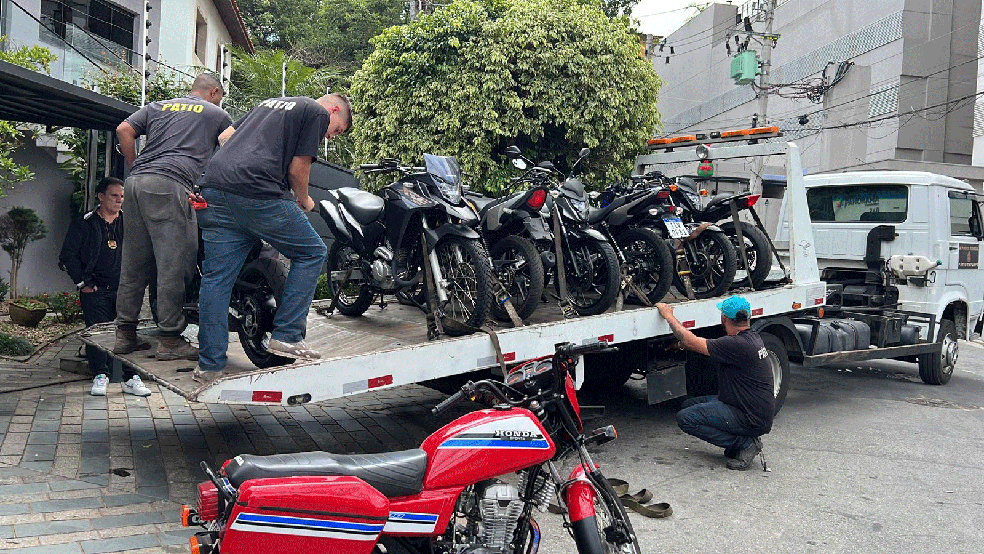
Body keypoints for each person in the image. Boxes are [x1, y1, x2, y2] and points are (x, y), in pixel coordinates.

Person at [192, 93, 352, 383]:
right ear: (334, 108)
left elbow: (226, 138)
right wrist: (304, 200)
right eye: (337, 129)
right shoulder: (316, 111)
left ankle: (209, 365)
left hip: (215, 188)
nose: (330, 136)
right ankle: (288, 335)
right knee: (313, 252)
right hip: (257, 192)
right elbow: (297, 168)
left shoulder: (270, 104)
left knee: (216, 281)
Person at [113, 73, 232, 361]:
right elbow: (230, 146)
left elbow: (123, 129)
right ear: (214, 92)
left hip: (136, 183)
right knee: (173, 264)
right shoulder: (216, 113)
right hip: (170, 184)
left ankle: (124, 335)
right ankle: (169, 339)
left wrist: (134, 164)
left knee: (133, 262)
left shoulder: (158, 106)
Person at [655, 296, 774, 470]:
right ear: (747, 318)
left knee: (685, 418)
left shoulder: (736, 344)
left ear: (724, 318)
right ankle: (741, 440)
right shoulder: (751, 338)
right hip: (748, 408)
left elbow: (692, 341)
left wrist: (668, 316)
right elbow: (702, 347)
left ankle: (744, 443)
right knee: (688, 404)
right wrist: (679, 345)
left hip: (749, 416)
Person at [59, 177, 152, 397]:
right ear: (101, 196)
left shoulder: (130, 221)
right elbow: (68, 255)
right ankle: (100, 375)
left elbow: (143, 252)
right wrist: (83, 283)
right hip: (96, 289)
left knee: (129, 332)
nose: (119, 200)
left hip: (125, 289)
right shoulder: (85, 222)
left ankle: (132, 378)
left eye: (122, 196)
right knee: (98, 333)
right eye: (114, 195)